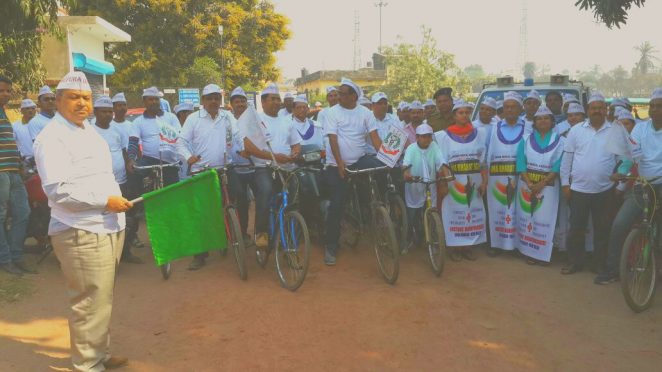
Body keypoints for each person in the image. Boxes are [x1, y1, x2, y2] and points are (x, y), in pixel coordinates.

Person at [33, 71, 132, 371]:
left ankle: (98, 354)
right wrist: (105, 201)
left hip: (108, 225)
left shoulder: (88, 131)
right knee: (89, 302)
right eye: (74, 98)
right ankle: (87, 365)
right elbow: (57, 190)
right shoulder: (52, 137)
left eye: (86, 98)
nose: (81, 104)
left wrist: (114, 205)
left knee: (101, 298)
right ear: (58, 100)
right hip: (81, 230)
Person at [595, 88, 662, 284]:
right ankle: (612, 270)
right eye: (653, 106)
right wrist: (622, 175)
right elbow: (632, 157)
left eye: (660, 106)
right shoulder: (640, 129)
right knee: (619, 225)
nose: (656, 110)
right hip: (643, 186)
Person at [323, 78, 382, 265]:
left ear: (354, 96)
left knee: (382, 169)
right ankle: (331, 246)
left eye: (342, 93)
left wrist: (388, 158)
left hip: (359, 160)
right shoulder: (332, 113)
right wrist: (340, 164)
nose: (339, 96)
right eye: (338, 93)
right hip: (336, 164)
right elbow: (333, 139)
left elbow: (374, 138)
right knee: (337, 205)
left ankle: (379, 209)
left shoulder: (365, 112)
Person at [177, 84, 236, 270]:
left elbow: (238, 134)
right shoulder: (194, 119)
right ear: (203, 100)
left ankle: (227, 239)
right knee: (201, 214)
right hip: (200, 171)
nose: (213, 101)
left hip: (224, 169)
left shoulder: (227, 116)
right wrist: (189, 157)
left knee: (226, 207)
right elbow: (181, 142)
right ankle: (200, 255)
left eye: (216, 98)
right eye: (209, 98)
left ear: (220, 100)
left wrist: (244, 148)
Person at [560, 92, 619, 275]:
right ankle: (575, 262)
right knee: (576, 228)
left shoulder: (615, 131)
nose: (597, 111)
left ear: (606, 110)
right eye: (594, 108)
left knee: (602, 229)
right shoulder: (576, 130)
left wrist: (620, 183)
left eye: (601, 108)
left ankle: (598, 264)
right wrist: (565, 184)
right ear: (588, 110)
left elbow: (623, 160)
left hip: (605, 190)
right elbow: (567, 160)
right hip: (578, 190)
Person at [243, 83, 301, 256]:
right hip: (264, 168)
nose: (277, 102)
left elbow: (296, 144)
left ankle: (289, 237)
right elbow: (249, 147)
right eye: (272, 99)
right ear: (263, 102)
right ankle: (261, 234)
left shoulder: (287, 121)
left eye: (278, 99)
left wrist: (296, 152)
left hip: (286, 168)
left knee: (293, 200)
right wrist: (273, 157)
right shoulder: (255, 120)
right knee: (266, 192)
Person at [435, 99, 488, 260]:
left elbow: (483, 161)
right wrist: (443, 183)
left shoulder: (480, 133)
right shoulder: (442, 136)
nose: (464, 115)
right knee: (454, 214)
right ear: (454, 115)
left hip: (474, 181)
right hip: (453, 183)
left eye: (467, 112)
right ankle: (455, 248)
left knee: (471, 213)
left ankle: (468, 247)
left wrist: (484, 182)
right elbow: (441, 162)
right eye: (460, 113)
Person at [93, 96, 143, 265]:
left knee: (127, 218)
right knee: (103, 220)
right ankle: (104, 257)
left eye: (109, 111)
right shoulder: (89, 130)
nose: (107, 114)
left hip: (121, 182)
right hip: (100, 184)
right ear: (95, 112)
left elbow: (124, 151)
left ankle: (125, 252)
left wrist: (130, 162)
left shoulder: (116, 130)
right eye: (103, 111)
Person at [516, 106, 564, 265]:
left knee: (545, 219)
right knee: (528, 217)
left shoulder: (561, 140)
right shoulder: (525, 139)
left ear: (552, 121)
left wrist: (542, 183)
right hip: (526, 185)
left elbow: (558, 165)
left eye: (546, 118)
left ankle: (542, 254)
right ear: (534, 122)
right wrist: (530, 183)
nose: (543, 121)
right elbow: (520, 162)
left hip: (548, 187)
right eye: (539, 118)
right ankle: (528, 251)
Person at [486, 91, 528, 256]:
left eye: (513, 107)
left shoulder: (528, 127)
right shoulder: (493, 128)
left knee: (519, 210)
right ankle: (497, 244)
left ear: (520, 109)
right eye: (506, 107)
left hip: (521, 178)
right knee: (498, 209)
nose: (510, 110)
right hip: (497, 177)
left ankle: (519, 246)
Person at [0, 76, 31, 276]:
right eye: (2, 90)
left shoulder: (4, 113)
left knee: (24, 212)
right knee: (1, 216)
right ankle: (6, 259)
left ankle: (15, 255)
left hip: (13, 171)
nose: (6, 94)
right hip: (1, 172)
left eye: (8, 91)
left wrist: (20, 164)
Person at [403, 124, 448, 253]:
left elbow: (441, 162)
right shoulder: (411, 148)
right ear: (417, 137)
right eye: (423, 137)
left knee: (432, 213)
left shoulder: (434, 146)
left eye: (429, 136)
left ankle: (433, 241)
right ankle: (408, 240)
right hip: (415, 185)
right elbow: (405, 166)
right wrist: (407, 175)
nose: (427, 139)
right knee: (411, 215)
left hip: (430, 185)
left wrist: (447, 175)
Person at [129, 86, 181, 185]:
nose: (154, 102)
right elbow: (133, 142)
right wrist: (131, 159)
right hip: (149, 160)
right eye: (150, 99)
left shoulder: (171, 117)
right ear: (144, 101)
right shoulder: (138, 121)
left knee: (174, 190)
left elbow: (179, 137)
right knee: (136, 179)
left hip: (170, 161)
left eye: (156, 99)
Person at [227, 86, 256, 241]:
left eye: (243, 101)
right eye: (237, 101)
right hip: (236, 169)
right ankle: (242, 234)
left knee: (263, 200)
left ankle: (262, 233)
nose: (240, 104)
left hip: (255, 167)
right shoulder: (227, 121)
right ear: (232, 104)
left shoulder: (255, 119)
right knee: (242, 203)